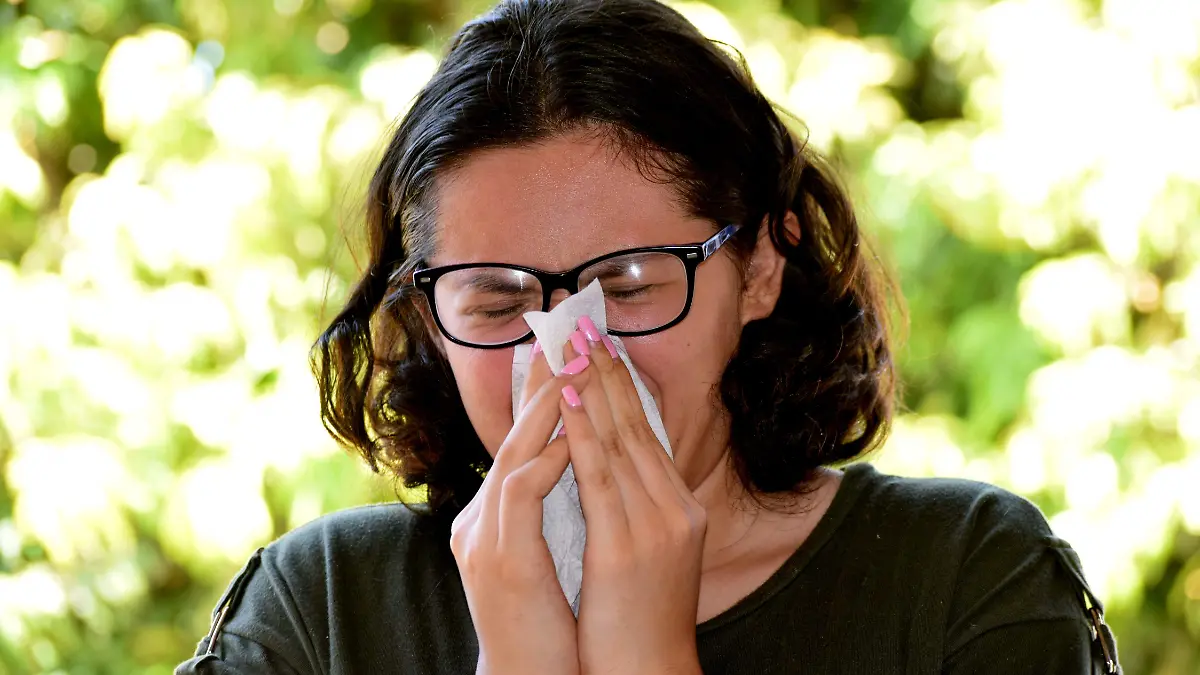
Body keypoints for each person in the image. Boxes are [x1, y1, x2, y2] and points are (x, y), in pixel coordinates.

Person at [176, 0, 1122, 673]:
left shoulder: (963, 577)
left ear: (758, 267)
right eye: (498, 304)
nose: (567, 353)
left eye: (626, 284)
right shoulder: (325, 608)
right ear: (428, 317)